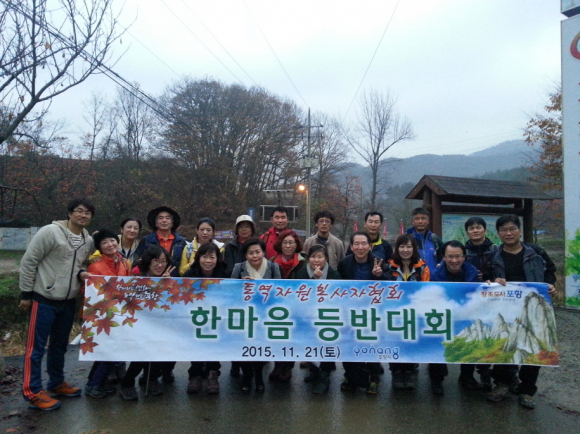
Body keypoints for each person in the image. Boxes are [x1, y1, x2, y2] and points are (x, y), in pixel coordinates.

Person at [19, 198, 95, 411]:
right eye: (79, 211)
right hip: (43, 299)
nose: (83, 215)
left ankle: (56, 382)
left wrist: (82, 274)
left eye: (87, 213)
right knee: (36, 348)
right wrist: (26, 294)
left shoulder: (87, 240)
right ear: (70, 213)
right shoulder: (50, 232)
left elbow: (79, 265)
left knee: (59, 346)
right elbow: (29, 262)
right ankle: (33, 391)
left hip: (68, 301)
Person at [486, 214, 557, 410]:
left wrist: (550, 285)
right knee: (503, 345)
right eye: (503, 230)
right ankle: (502, 384)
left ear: (519, 231)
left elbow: (550, 271)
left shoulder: (536, 252)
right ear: (498, 233)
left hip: (534, 308)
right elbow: (486, 279)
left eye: (512, 229)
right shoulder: (494, 256)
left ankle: (527, 390)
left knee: (533, 347)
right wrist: (492, 282)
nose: (508, 233)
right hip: (504, 310)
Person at [119, 246, 175, 401]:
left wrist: (166, 284)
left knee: (159, 352)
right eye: (156, 261)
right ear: (148, 261)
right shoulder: (137, 278)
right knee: (141, 355)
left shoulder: (169, 278)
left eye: (163, 261)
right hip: (139, 324)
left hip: (160, 325)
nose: (160, 265)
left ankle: (152, 379)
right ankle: (127, 383)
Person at [338, 231, 388, 395]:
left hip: (373, 311)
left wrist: (380, 276)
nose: (360, 247)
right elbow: (338, 286)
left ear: (369, 246)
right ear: (351, 247)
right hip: (350, 311)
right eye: (356, 244)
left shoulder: (379, 262)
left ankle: (374, 377)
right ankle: (349, 376)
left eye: (364, 243)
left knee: (371, 345)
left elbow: (391, 286)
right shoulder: (345, 263)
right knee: (348, 344)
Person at [231, 238, 282, 393]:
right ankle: (247, 376)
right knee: (244, 348)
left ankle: (259, 377)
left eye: (258, 252)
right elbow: (230, 291)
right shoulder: (239, 268)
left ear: (263, 252)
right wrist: (241, 286)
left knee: (261, 348)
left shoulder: (273, 267)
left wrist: (260, 287)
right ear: (245, 255)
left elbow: (279, 291)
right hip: (245, 315)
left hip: (265, 314)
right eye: (250, 253)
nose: (254, 256)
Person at [84, 229, 131, 399]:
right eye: (105, 243)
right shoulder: (95, 266)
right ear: (99, 247)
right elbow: (89, 292)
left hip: (119, 312)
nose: (110, 245)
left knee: (109, 350)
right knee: (108, 350)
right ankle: (94, 385)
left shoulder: (124, 262)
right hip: (102, 314)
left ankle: (95, 381)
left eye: (112, 240)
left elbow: (129, 283)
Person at [429, 240, 479, 396]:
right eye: (450, 256)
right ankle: (437, 379)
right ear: (444, 257)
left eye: (458, 256)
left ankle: (466, 376)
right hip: (442, 316)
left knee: (470, 340)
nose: (454, 260)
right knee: (437, 343)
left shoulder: (473, 273)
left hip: (466, 315)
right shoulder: (435, 275)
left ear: (464, 257)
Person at [384, 234, 430, 390]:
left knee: (411, 342)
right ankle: (396, 372)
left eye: (409, 246)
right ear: (397, 249)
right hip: (393, 313)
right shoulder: (388, 267)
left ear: (414, 249)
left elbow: (426, 289)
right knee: (395, 342)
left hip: (414, 313)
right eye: (402, 246)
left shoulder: (422, 268)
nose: (405, 250)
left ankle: (409, 371)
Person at [183, 243, 229, 394]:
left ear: (217, 259)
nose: (208, 261)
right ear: (198, 258)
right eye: (204, 257)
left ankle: (213, 374)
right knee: (196, 345)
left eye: (212, 257)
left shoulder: (224, 275)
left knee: (214, 346)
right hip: (196, 316)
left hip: (217, 317)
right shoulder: (190, 274)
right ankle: (195, 374)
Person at [296, 244, 341, 393]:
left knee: (326, 345)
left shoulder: (334, 274)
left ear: (326, 259)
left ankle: (325, 375)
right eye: (313, 257)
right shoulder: (302, 272)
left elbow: (338, 295)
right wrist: (313, 280)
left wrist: (320, 280)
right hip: (308, 315)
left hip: (327, 316)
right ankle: (314, 370)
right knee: (311, 343)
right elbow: (298, 292)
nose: (316, 260)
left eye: (320, 257)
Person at [461, 216, 497, 390]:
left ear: (485, 230)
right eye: (471, 228)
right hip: (468, 300)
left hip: (490, 300)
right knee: (468, 335)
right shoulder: (463, 251)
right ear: (467, 232)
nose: (475, 231)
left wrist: (488, 277)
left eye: (478, 227)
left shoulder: (495, 250)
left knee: (486, 335)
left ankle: (485, 373)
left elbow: (500, 272)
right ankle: (466, 375)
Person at [268, 230, 306, 382]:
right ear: (280, 244)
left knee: (292, 337)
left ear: (296, 245)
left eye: (291, 242)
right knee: (277, 336)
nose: (288, 246)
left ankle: (288, 367)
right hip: (276, 305)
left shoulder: (303, 262)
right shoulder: (271, 261)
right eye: (285, 242)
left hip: (296, 305)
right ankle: (278, 364)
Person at [135, 206, 186, 278]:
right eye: (160, 218)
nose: (164, 220)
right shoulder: (146, 240)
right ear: (155, 223)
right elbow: (137, 261)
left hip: (175, 281)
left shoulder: (181, 242)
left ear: (172, 223)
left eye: (167, 218)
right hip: (150, 280)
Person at [406, 207, 444, 272]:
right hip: (413, 277)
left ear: (428, 221)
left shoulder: (435, 240)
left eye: (423, 218)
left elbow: (443, 259)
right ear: (413, 221)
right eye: (417, 219)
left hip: (433, 277)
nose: (420, 221)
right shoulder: (406, 240)